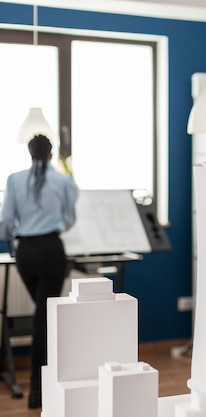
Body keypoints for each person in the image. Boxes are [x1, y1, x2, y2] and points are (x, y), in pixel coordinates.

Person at [0, 134, 79, 409]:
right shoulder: (64, 181)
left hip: (25, 254)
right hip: (50, 249)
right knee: (43, 319)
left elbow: (6, 222)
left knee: (43, 316)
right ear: (50, 153)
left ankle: (40, 387)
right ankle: (38, 390)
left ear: (29, 152)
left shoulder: (14, 179)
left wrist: (15, 246)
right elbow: (69, 220)